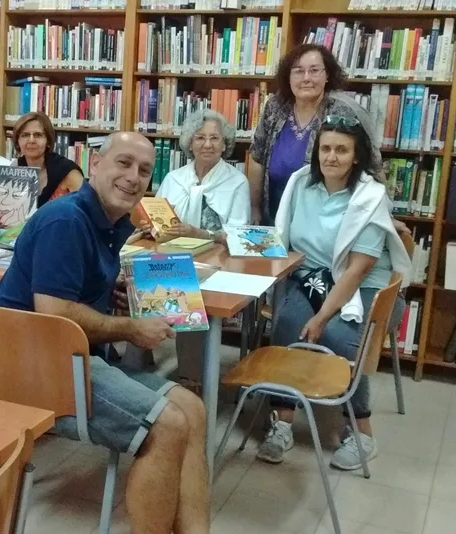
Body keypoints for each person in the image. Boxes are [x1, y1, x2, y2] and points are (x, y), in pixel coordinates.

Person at [0, 132, 210, 534]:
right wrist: (130, 327)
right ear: (94, 164)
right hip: (34, 368)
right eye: (123, 163)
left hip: (73, 356)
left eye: (144, 170)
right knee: (169, 425)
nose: (133, 177)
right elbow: (54, 313)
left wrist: (107, 294)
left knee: (193, 410)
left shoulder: (114, 222)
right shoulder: (66, 220)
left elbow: (69, 293)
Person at [257, 115, 410, 470]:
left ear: (356, 156)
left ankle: (361, 432)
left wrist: (323, 316)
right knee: (285, 331)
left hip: (360, 286)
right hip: (308, 276)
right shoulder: (301, 184)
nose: (332, 157)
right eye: (326, 148)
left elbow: (358, 268)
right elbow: (280, 237)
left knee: (340, 338)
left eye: (342, 150)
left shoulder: (370, 197)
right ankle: (282, 423)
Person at [248, 43, 384, 227]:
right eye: (298, 71)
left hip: (325, 223)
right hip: (272, 217)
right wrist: (254, 207)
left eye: (314, 70)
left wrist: (382, 214)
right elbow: (257, 157)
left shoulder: (343, 112)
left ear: (327, 75)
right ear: (288, 76)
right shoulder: (276, 106)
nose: (306, 78)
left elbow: (372, 167)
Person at [148, 109, 249, 244]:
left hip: (219, 260)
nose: (207, 145)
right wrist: (149, 227)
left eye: (214, 138)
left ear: (224, 145)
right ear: (190, 144)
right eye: (200, 138)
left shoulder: (238, 182)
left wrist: (198, 234)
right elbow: (157, 225)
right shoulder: (172, 179)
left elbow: (239, 237)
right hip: (173, 256)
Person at [0, 112, 84, 226]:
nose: (31, 140)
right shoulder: (17, 166)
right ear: (18, 142)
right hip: (20, 235)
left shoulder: (68, 171)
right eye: (25, 135)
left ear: (48, 141)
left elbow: (88, 210)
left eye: (38, 135)